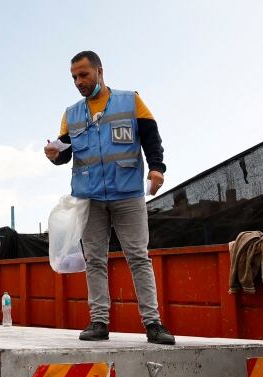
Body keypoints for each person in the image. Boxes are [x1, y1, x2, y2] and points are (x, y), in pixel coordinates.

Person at [44, 50, 175, 345]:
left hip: (127, 193)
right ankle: (99, 321)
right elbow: (64, 154)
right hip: (89, 198)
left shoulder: (131, 101)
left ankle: (153, 323)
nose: (78, 81)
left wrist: (156, 169)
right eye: (74, 77)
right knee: (94, 260)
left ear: (100, 72)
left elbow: (152, 138)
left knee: (138, 257)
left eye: (83, 75)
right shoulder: (71, 114)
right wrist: (53, 155)